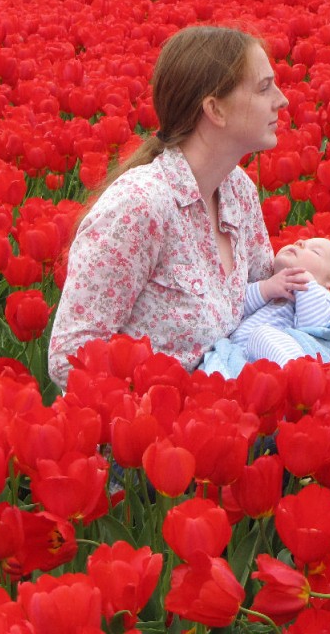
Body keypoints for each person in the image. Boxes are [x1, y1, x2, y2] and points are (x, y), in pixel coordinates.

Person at [48, 25, 289, 389]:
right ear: (215, 109)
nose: (281, 100)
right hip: (145, 418)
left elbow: (262, 301)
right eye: (264, 87)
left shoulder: (238, 191)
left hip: (225, 413)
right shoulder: (140, 206)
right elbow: (70, 356)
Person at [224, 236, 330, 368]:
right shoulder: (268, 290)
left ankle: (296, 372)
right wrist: (265, 289)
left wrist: (308, 285)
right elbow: (234, 307)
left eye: (315, 251)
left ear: (328, 291)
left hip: (281, 359)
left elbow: (314, 327)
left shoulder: (319, 306)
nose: (299, 242)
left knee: (262, 334)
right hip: (241, 360)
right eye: (302, 241)